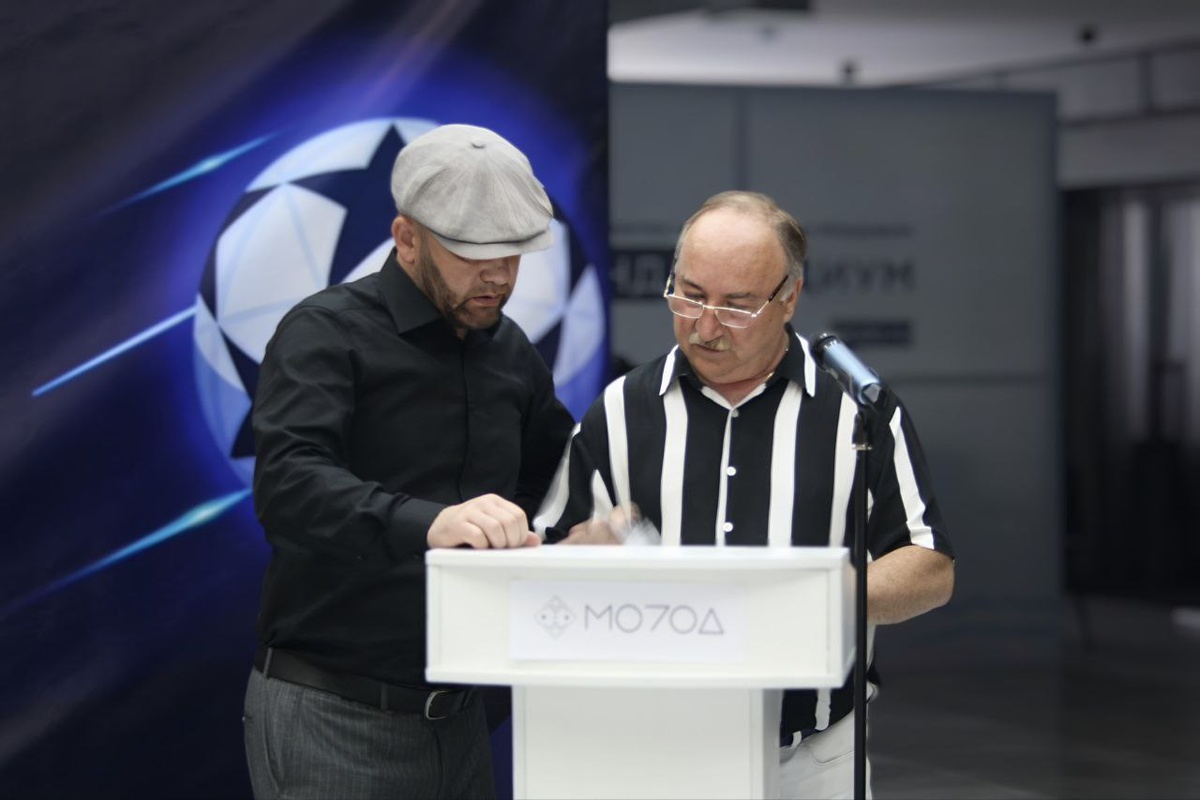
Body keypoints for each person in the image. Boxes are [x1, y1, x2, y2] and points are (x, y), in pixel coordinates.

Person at [535, 190, 955, 799]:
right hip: (653, 755)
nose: (705, 327)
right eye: (689, 296)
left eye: (736, 307)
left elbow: (931, 567)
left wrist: (829, 591)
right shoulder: (619, 410)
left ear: (790, 298)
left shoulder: (858, 413)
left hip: (814, 759)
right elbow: (547, 565)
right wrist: (578, 558)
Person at [243, 123, 576, 800]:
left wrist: (575, 531)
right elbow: (288, 485)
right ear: (406, 238)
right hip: (333, 716)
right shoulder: (324, 333)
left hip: (462, 719)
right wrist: (430, 523)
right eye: (472, 253)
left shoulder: (512, 351)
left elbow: (557, 473)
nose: (498, 276)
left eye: (514, 253)